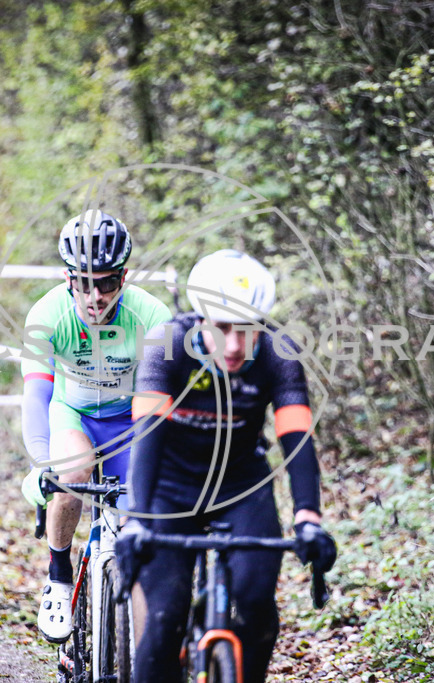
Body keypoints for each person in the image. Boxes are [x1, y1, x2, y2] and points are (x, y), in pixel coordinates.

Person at [119, 249, 337, 683]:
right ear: (201, 320)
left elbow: (297, 441)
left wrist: (308, 518)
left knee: (256, 606)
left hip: (240, 487)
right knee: (164, 619)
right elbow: (146, 438)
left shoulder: (278, 353)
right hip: (169, 488)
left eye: (246, 331)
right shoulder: (167, 346)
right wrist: (137, 517)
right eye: (222, 330)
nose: (234, 345)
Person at [19, 209, 171, 643]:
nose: (95, 296)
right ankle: (59, 578)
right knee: (72, 472)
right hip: (74, 414)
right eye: (84, 283)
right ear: (69, 280)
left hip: (132, 419)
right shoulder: (47, 314)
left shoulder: (151, 314)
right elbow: (37, 394)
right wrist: (40, 461)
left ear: (122, 277)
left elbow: (164, 399)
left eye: (106, 282)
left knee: (138, 522)